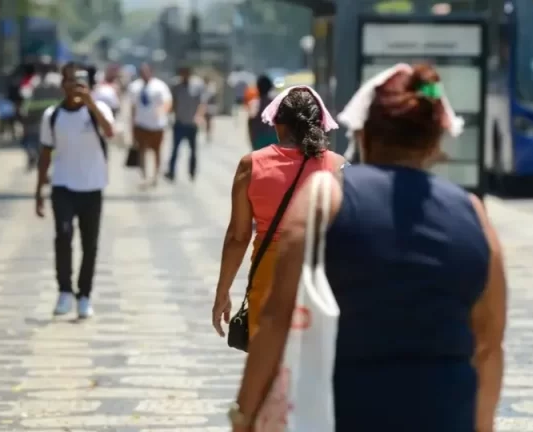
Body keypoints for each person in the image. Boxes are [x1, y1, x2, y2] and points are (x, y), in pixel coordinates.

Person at [229, 64, 506, 431]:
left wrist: (244, 415)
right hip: (444, 413)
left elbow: (278, 321)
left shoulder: (324, 200)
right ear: (436, 140)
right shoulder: (474, 214)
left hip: (347, 411)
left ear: (364, 133)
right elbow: (489, 344)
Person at [211, 86, 345, 341]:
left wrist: (222, 292)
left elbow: (238, 237)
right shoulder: (338, 166)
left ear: (278, 124)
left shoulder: (251, 165)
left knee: (268, 363)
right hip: (321, 277)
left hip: (269, 277)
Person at [35, 62, 115, 319]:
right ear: (62, 85)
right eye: (69, 81)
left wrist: (90, 103)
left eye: (79, 81)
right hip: (63, 185)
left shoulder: (97, 109)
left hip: (92, 186)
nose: (74, 86)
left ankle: (84, 295)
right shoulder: (52, 115)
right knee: (63, 235)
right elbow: (45, 153)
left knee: (89, 244)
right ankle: (64, 291)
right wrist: (38, 191)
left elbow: (110, 131)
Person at [129, 63, 172, 186]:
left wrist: (162, 111)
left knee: (156, 151)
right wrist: (132, 124)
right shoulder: (134, 87)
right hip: (141, 124)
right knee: (141, 150)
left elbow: (167, 101)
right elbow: (132, 107)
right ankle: (144, 174)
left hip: (157, 125)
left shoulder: (159, 86)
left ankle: (155, 175)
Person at [165, 66, 206, 182]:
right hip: (179, 122)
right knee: (175, 149)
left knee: (193, 150)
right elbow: (172, 102)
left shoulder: (197, 85)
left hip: (192, 123)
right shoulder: (176, 85)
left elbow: (201, 103)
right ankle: (171, 172)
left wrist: (199, 116)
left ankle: (192, 171)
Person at [22, 59, 63, 170]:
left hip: (38, 118)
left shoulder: (34, 81)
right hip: (51, 119)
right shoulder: (57, 80)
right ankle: (45, 167)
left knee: (41, 144)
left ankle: (43, 166)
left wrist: (24, 113)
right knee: (49, 144)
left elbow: (26, 100)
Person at [247, 75, 279, 151]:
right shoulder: (276, 103)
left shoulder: (254, 103)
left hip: (259, 140)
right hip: (274, 139)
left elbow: (251, 121)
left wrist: (252, 141)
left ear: (257, 88)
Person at [202, 75, 219, 143]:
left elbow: (212, 96)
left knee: (209, 121)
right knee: (206, 120)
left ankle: (208, 133)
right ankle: (207, 132)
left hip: (210, 106)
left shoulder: (211, 87)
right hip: (205, 105)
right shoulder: (202, 87)